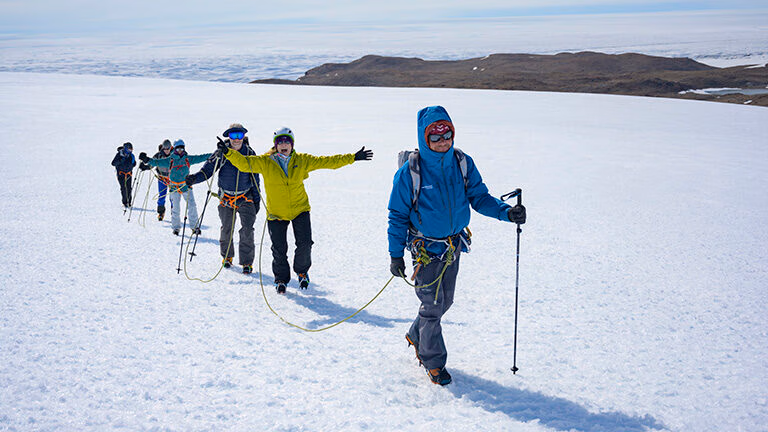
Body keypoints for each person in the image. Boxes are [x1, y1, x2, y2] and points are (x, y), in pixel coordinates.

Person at [387, 105, 526, 386]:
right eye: (434, 136)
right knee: (432, 305)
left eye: (446, 133)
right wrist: (395, 255)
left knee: (443, 301)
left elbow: (479, 197)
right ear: (423, 138)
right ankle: (433, 361)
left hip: (453, 246)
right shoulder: (409, 173)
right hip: (425, 249)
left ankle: (417, 334)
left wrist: (506, 212)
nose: (442, 141)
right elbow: (397, 215)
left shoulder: (462, 162)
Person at [220, 127, 373, 293]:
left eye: (287, 142)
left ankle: (302, 272)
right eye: (280, 142)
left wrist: (353, 157)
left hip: (300, 209)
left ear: (292, 144)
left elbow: (328, 161)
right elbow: (244, 164)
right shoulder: (265, 161)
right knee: (279, 249)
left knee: (305, 244)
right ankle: (281, 279)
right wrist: (228, 153)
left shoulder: (302, 160)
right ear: (276, 145)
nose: (284, 145)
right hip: (276, 213)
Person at [185, 123, 261, 274]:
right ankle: (227, 256)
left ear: (244, 136)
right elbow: (207, 171)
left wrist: (257, 200)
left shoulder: (250, 154)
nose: (237, 139)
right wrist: (194, 178)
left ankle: (247, 262)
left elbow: (255, 179)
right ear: (228, 136)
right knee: (226, 229)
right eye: (233, 135)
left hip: (246, 197)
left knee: (247, 230)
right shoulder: (220, 153)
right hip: (226, 197)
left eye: (239, 135)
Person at [139, 140, 212, 235]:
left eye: (182, 148)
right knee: (175, 209)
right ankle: (176, 228)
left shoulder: (188, 159)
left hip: (186, 187)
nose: (180, 150)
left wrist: (213, 155)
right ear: (175, 149)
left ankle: (195, 227)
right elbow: (157, 162)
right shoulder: (170, 160)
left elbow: (201, 157)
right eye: (178, 148)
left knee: (192, 206)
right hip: (174, 187)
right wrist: (147, 160)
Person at [151, 139, 173, 221]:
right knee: (162, 196)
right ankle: (161, 213)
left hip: (172, 179)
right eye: (165, 149)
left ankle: (174, 213)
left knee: (173, 197)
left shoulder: (174, 155)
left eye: (168, 149)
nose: (167, 151)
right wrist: (145, 166)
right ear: (163, 148)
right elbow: (152, 163)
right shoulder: (158, 155)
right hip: (161, 178)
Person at [111, 142, 136, 208]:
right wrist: (120, 161)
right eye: (129, 149)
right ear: (125, 149)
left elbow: (134, 164)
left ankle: (129, 202)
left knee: (129, 188)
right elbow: (113, 163)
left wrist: (133, 163)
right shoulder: (119, 154)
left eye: (131, 149)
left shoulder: (131, 156)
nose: (130, 151)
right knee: (123, 188)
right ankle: (124, 202)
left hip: (129, 174)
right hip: (121, 174)